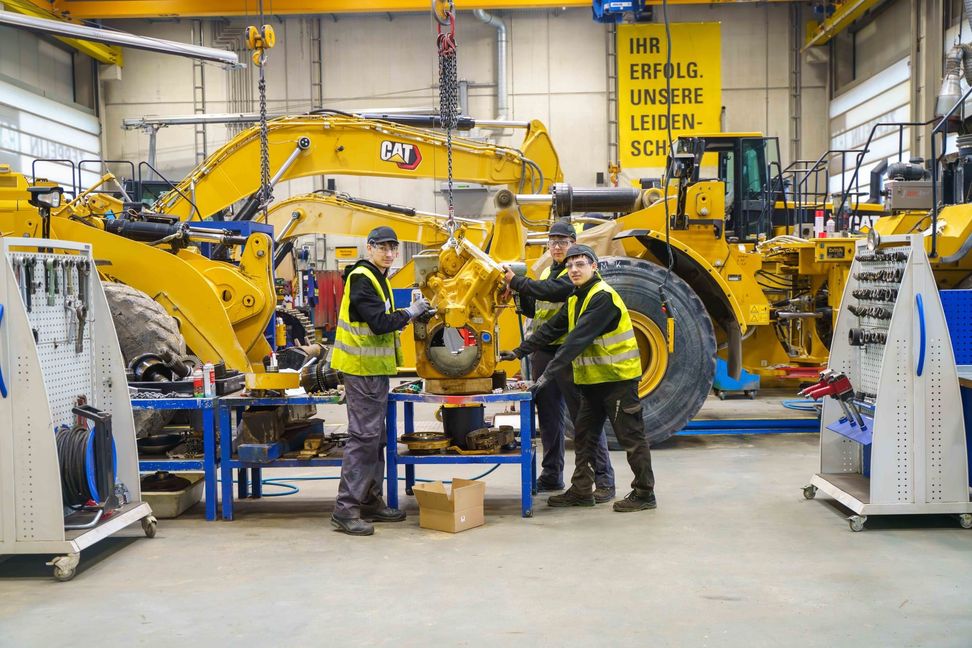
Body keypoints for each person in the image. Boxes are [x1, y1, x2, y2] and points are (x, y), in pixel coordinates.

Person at [501, 244, 656, 512]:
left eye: (580, 264)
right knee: (584, 438)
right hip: (592, 383)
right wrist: (518, 351)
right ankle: (582, 490)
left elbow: (575, 341)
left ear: (594, 267)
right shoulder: (575, 297)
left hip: (617, 382)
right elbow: (551, 329)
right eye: (570, 265)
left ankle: (644, 493)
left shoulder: (602, 297)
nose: (574, 269)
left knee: (631, 438)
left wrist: (545, 377)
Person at [500, 221, 616, 502]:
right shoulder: (546, 272)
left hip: (569, 354)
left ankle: (604, 479)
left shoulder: (574, 276)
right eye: (552, 242)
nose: (556, 247)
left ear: (574, 244)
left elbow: (550, 292)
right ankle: (552, 473)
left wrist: (517, 282)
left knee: (583, 418)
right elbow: (539, 309)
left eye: (563, 241)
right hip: (544, 351)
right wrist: (519, 294)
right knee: (549, 417)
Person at [330, 226, 433, 536]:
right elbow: (378, 323)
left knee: (376, 439)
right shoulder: (362, 278)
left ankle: (369, 501)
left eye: (393, 248)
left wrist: (411, 316)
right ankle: (345, 509)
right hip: (361, 370)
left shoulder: (380, 278)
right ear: (370, 247)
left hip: (373, 371)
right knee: (363, 438)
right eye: (383, 247)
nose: (389, 253)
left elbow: (384, 321)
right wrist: (411, 312)